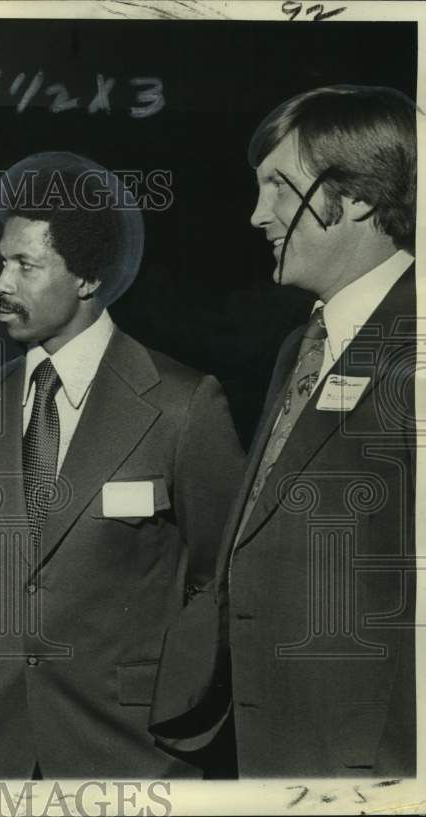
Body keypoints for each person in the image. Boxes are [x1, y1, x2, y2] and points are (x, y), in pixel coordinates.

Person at [0, 152, 244, 778]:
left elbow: (220, 577)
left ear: (87, 279)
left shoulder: (181, 404)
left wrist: (180, 702)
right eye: (3, 260)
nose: (0, 284)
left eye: (25, 265)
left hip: (132, 747)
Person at [151, 84, 417, 776]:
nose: (256, 214)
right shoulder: (300, 345)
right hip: (271, 749)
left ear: (355, 196)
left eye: (278, 186)